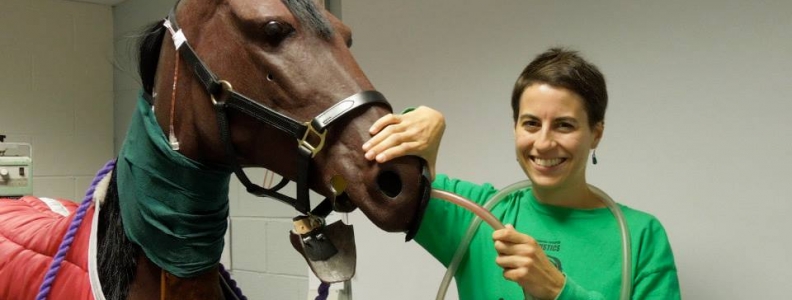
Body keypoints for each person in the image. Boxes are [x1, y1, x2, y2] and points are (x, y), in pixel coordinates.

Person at [362, 48, 681, 299]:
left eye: (564, 125)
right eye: (531, 123)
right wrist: (423, 121)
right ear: (514, 127)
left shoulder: (640, 236)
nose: (543, 143)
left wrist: (558, 290)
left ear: (596, 134)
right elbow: (369, 167)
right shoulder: (475, 215)